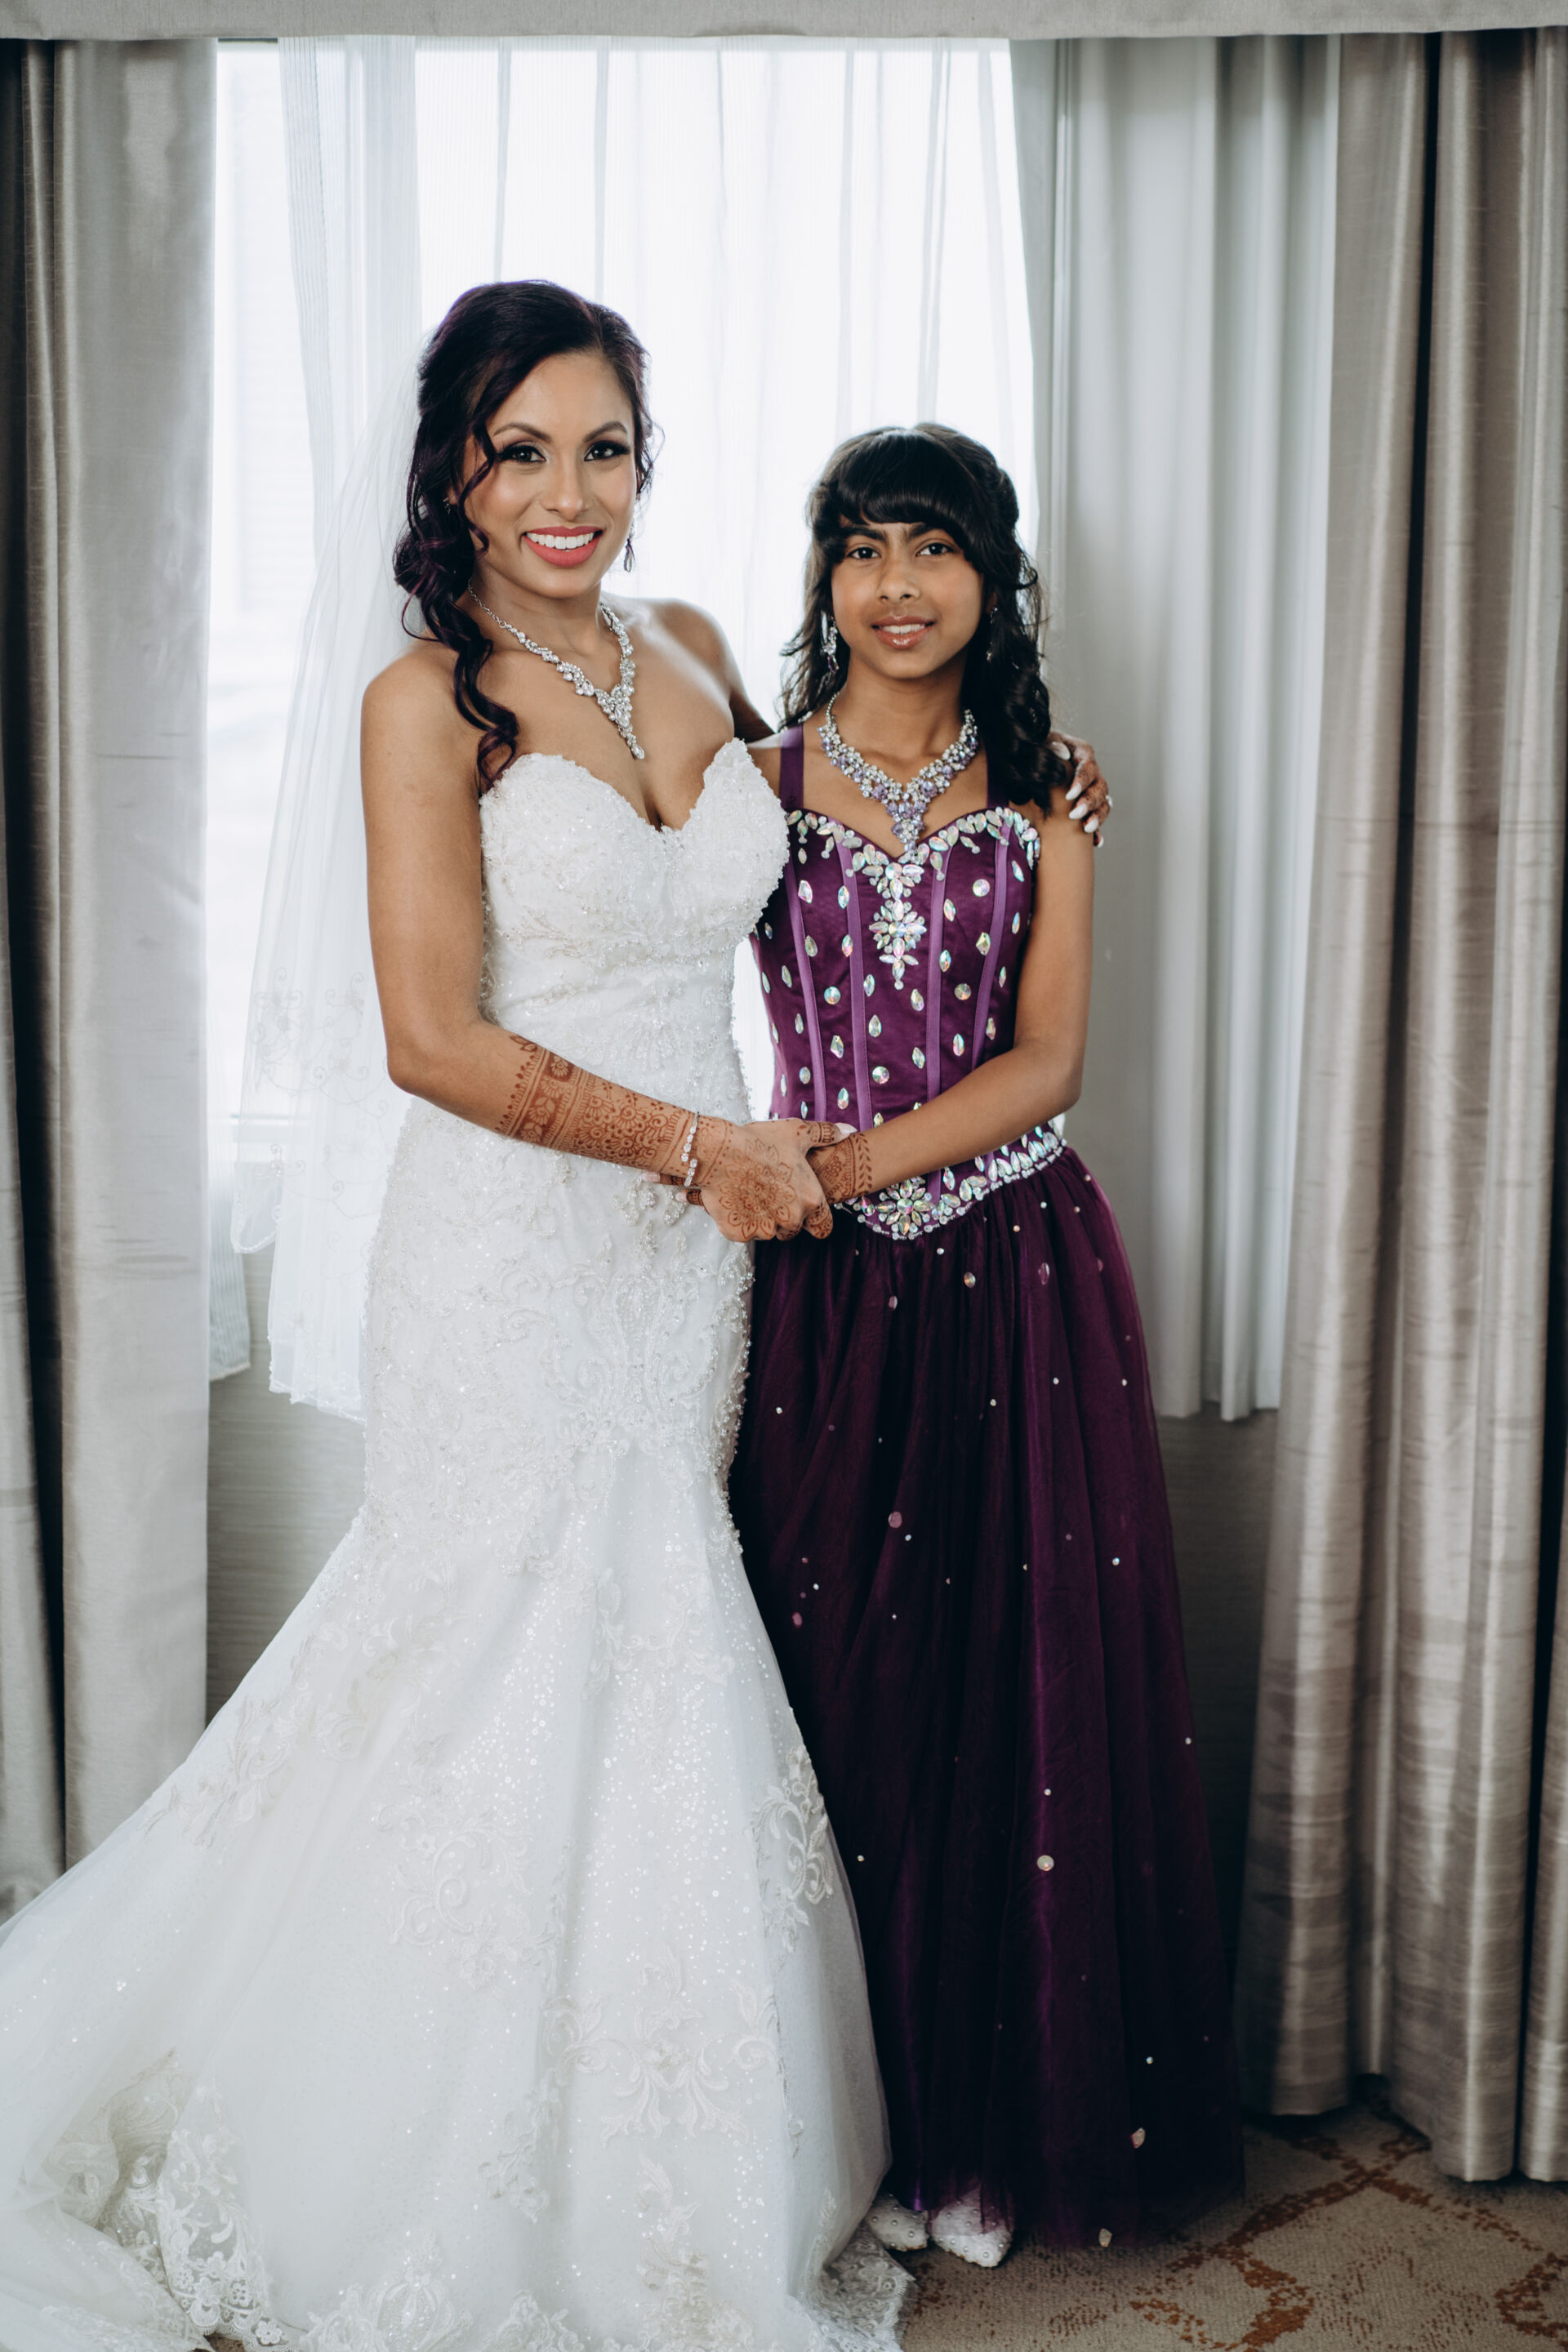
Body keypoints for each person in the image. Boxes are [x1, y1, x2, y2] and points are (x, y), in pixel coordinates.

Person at [0, 283, 911, 2352]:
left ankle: (656, 2135)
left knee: (652, 1644)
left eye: (605, 446)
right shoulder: (426, 702)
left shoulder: (693, 649)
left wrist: (1039, 779)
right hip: (515, 1252)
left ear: (646, 461)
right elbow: (430, 1039)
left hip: (685, 1270)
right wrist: (699, 1147)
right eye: (523, 451)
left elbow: (860, 802)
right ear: (453, 473)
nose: (569, 492)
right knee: (486, 1660)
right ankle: (409, 2158)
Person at [723, 425, 1241, 2270]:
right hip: (817, 1289)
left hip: (1018, 1267)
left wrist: (854, 1165)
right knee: (833, 1682)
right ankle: (851, 2124)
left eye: (934, 548)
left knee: (1005, 1696)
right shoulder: (750, 781)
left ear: (993, 580)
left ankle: (984, 2132)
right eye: (863, 547)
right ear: (824, 575)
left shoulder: (1048, 791)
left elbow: (1052, 1059)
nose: (898, 585)